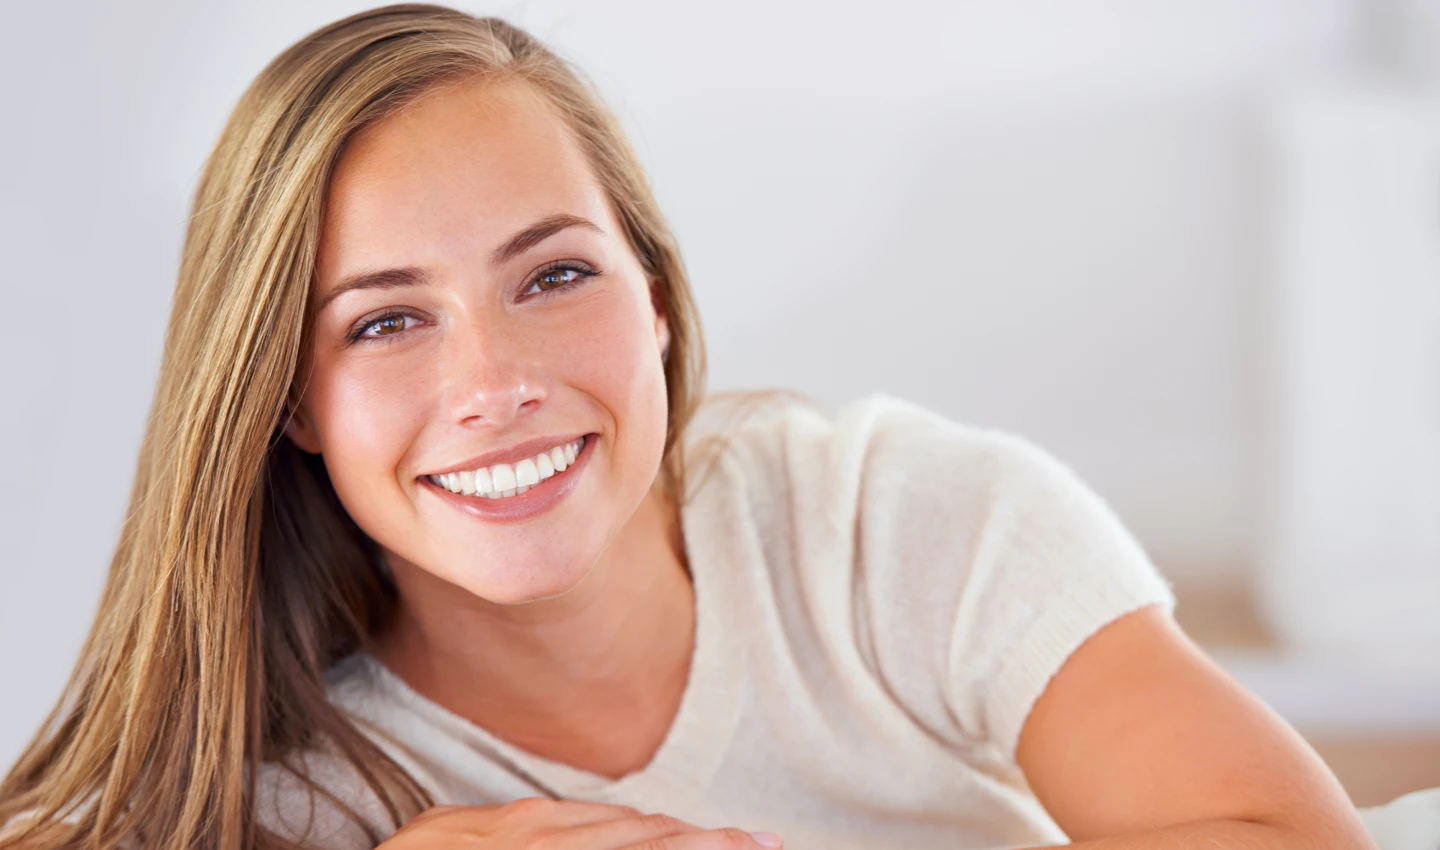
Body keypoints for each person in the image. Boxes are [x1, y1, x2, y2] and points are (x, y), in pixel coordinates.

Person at [0, 5, 1377, 850]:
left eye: (553, 275)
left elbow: (1293, 837)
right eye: (385, 321)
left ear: (654, 299)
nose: (495, 382)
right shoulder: (316, 781)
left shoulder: (887, 523)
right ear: (289, 399)